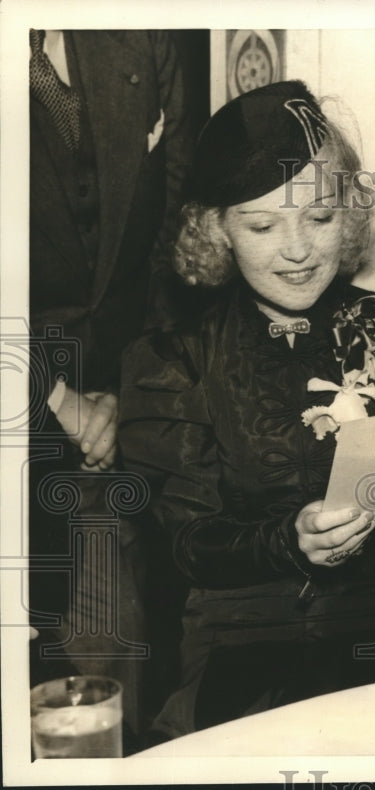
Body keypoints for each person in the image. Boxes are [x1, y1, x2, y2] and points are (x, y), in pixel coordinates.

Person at [117, 80, 375, 739]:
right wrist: (290, 540)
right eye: (262, 224)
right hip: (243, 654)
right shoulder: (174, 361)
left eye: (319, 217)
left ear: (350, 211)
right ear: (216, 227)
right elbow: (186, 547)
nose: (298, 248)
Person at [28, 29, 193, 741]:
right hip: (27, 403)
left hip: (107, 430)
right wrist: (50, 398)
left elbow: (172, 242)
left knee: (109, 674)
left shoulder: (143, 36)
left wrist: (134, 386)